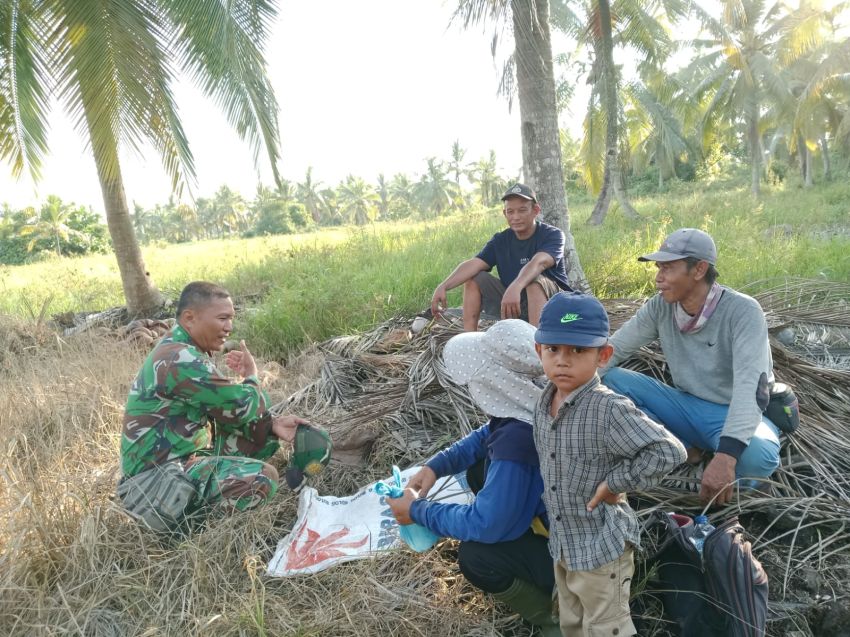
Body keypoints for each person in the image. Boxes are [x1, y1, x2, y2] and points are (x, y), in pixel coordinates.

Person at [386, 320, 560, 636]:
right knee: (479, 470)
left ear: (495, 385)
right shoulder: (540, 404)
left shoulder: (518, 442)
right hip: (565, 526)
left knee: (477, 557)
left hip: (574, 559)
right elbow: (485, 437)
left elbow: (486, 524)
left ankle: (556, 619)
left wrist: (417, 511)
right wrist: (436, 466)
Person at [533, 292, 686, 637]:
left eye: (578, 351)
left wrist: (615, 483)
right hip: (565, 545)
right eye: (553, 349)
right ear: (538, 350)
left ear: (603, 356)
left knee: (606, 628)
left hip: (601, 547)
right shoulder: (544, 402)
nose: (563, 361)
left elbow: (668, 450)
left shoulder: (608, 409)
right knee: (572, 624)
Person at [600, 228, 782, 506]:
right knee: (610, 379)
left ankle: (710, 456)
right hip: (685, 405)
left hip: (730, 411)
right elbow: (614, 349)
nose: (658, 278)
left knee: (759, 457)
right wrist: (564, 386)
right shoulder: (660, 307)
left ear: (699, 269)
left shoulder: (743, 311)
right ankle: (686, 449)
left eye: (668, 268)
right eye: (659, 268)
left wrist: (726, 456)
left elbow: (752, 389)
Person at [119, 281, 313, 520]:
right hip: (153, 484)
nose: (229, 327)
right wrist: (251, 376)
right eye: (222, 319)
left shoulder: (182, 349)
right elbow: (242, 408)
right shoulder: (181, 358)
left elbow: (229, 411)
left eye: (231, 318)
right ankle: (191, 529)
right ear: (190, 318)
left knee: (261, 437)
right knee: (263, 478)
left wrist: (272, 425)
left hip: (172, 464)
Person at [430, 183, 571, 331]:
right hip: (514, 304)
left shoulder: (553, 235)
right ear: (505, 214)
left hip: (555, 307)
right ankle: (469, 336)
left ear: (535, 210)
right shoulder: (500, 240)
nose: (516, 217)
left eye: (522, 210)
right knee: (474, 278)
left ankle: (537, 342)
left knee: (534, 282)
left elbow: (539, 263)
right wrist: (443, 286)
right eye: (510, 212)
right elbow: (475, 264)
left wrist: (515, 286)